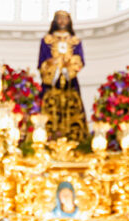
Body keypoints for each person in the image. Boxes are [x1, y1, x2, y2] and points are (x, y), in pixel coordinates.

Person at [39, 10, 88, 141]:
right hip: (51, 80)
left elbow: (80, 60)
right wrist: (52, 64)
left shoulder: (75, 41)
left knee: (73, 103)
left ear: (69, 21)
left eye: (64, 18)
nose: (62, 21)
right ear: (55, 21)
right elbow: (42, 61)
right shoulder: (47, 40)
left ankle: (75, 137)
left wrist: (69, 66)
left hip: (70, 80)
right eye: (59, 18)